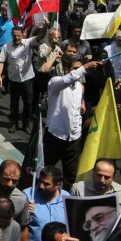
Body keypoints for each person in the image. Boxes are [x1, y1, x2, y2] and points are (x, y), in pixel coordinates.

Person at [44, 58, 102, 190]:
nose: (80, 73)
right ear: (67, 69)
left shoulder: (79, 87)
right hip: (55, 136)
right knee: (48, 171)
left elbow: (77, 107)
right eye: (75, 69)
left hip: (73, 139)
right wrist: (85, 67)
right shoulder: (55, 83)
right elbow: (67, 80)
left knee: (71, 176)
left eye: (80, 69)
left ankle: (66, 201)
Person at [0, 26, 37, 133]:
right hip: (13, 79)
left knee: (28, 103)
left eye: (18, 35)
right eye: (14, 35)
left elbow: (40, 37)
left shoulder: (28, 43)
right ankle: (14, 124)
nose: (16, 37)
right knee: (14, 103)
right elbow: (1, 61)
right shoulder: (7, 46)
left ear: (23, 34)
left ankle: (26, 124)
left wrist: (46, 26)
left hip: (27, 79)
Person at [24, 167, 69, 241]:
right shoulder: (27, 196)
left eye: (46, 184)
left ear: (57, 185)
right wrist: (24, 213)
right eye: (40, 181)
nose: (41, 186)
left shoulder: (67, 199)